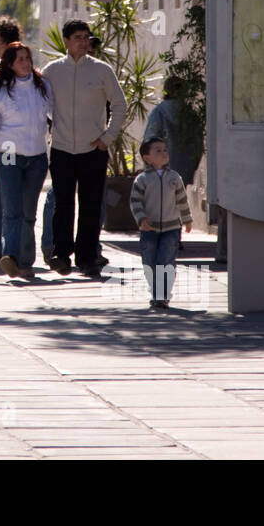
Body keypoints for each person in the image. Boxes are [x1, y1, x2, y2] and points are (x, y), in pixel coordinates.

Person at [44, 20, 127, 277]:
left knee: (91, 205)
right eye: (77, 37)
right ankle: (61, 254)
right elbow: (39, 105)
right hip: (62, 148)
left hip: (94, 149)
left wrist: (108, 137)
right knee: (63, 204)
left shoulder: (102, 70)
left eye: (86, 37)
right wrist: (49, 131)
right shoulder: (51, 71)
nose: (83, 41)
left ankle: (88, 257)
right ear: (66, 41)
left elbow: (120, 106)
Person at [0, 43, 52, 279]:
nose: (26, 63)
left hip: (37, 157)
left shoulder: (42, 87)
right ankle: (11, 257)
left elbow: (56, 116)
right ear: (8, 63)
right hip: (8, 154)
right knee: (11, 210)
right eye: (20, 59)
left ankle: (26, 262)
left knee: (29, 211)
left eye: (27, 58)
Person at [131, 137, 193, 309]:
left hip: (171, 228)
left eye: (165, 149)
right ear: (147, 157)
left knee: (166, 260)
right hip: (148, 229)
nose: (163, 153)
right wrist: (141, 219)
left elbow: (182, 200)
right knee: (149, 261)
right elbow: (135, 202)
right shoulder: (142, 179)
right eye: (157, 150)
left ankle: (163, 295)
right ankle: (155, 291)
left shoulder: (175, 178)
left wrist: (187, 219)